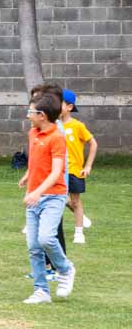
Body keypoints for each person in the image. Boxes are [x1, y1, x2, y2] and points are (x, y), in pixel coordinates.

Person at [18, 93, 76, 304]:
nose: (28, 115)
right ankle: (41, 291)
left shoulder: (57, 137)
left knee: (46, 238)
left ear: (42, 115)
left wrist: (37, 192)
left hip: (53, 197)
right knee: (34, 246)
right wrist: (28, 176)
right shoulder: (33, 133)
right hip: (34, 196)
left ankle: (66, 269)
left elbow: (56, 172)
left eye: (31, 112)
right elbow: (36, 161)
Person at [60, 89, 96, 244]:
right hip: (58, 170)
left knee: (75, 201)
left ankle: (79, 233)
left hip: (74, 170)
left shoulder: (78, 126)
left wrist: (88, 166)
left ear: (69, 107)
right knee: (57, 199)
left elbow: (93, 143)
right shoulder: (52, 125)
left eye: (58, 103)